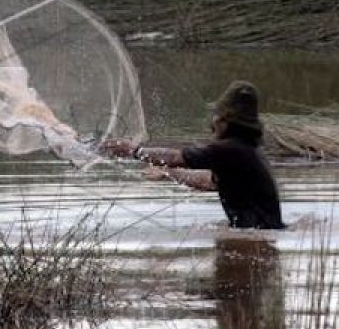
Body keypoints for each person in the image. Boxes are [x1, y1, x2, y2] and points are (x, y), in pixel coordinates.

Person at [103, 80, 285, 230]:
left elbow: (176, 157)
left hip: (256, 234)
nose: (212, 122)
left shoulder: (230, 149)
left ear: (226, 119)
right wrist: (168, 173)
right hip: (262, 232)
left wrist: (134, 150)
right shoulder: (248, 151)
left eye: (217, 115)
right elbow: (208, 181)